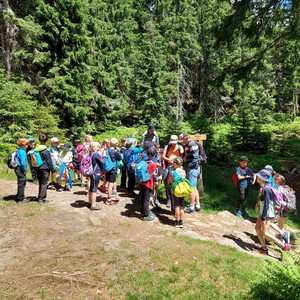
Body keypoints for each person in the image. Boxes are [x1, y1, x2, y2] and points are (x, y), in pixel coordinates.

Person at [253, 169, 290, 254]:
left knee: (265, 232)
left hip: (266, 214)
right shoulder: (265, 186)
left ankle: (284, 246)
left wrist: (264, 217)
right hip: (263, 212)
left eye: (258, 176)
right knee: (257, 228)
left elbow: (267, 203)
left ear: (262, 178)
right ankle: (264, 248)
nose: (257, 177)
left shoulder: (267, 189)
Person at [162, 135, 184, 210]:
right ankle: (168, 198)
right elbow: (163, 156)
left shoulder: (180, 147)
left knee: (177, 183)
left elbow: (182, 157)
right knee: (166, 181)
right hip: (169, 166)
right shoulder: (167, 147)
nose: (173, 144)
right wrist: (168, 160)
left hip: (177, 167)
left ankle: (176, 201)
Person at [35, 133, 57, 204]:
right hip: (45, 169)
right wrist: (53, 170)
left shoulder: (36, 149)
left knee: (40, 183)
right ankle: (41, 199)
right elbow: (49, 162)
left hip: (38, 168)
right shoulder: (46, 151)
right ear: (46, 141)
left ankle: (39, 196)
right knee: (44, 184)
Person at [181, 133, 201, 213]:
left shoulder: (192, 144)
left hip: (193, 169)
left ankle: (191, 206)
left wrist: (190, 166)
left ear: (186, 138)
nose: (181, 141)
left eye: (182, 139)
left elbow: (195, 158)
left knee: (191, 188)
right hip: (194, 168)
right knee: (194, 187)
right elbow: (190, 156)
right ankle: (197, 205)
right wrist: (185, 159)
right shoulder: (188, 144)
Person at [139, 147, 158, 221]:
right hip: (148, 183)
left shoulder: (144, 162)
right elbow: (154, 175)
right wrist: (156, 181)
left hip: (141, 182)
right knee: (147, 199)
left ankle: (142, 212)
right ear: (154, 155)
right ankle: (147, 214)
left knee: (142, 198)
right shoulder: (153, 164)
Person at [168, 157, 186, 228]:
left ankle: (177, 221)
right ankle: (181, 221)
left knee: (177, 206)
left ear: (175, 163)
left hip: (176, 190)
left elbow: (170, 180)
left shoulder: (173, 172)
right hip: (182, 190)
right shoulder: (183, 172)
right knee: (182, 206)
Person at [105, 138, 122, 205]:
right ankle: (109, 199)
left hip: (108, 168)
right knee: (111, 183)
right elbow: (120, 158)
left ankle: (110, 197)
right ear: (116, 144)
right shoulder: (115, 152)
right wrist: (118, 151)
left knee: (109, 182)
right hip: (113, 169)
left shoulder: (107, 151)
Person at [87, 142, 103, 210]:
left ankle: (90, 202)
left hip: (91, 172)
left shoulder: (89, 153)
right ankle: (93, 205)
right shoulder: (96, 154)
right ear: (94, 147)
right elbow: (102, 162)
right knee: (94, 189)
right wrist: (104, 156)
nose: (99, 148)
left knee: (91, 187)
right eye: (98, 147)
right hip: (96, 172)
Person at [15, 138, 30, 203]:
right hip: (20, 169)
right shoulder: (22, 152)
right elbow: (23, 163)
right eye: (26, 144)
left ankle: (19, 195)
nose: (27, 146)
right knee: (22, 183)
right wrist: (24, 170)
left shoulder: (18, 150)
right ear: (23, 145)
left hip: (17, 168)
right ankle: (21, 199)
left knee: (20, 182)